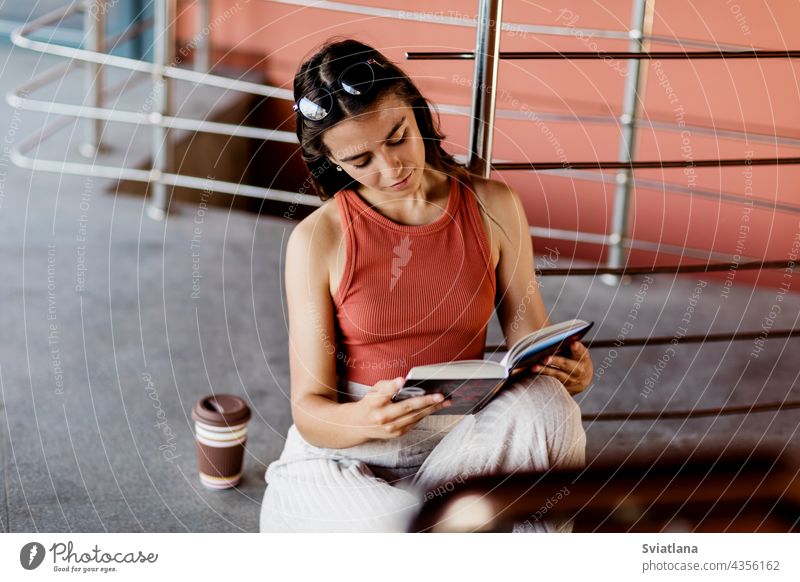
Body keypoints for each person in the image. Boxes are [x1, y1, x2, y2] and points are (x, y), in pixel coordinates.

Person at [259, 37, 593, 533]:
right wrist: (367, 421)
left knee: (550, 404)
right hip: (345, 456)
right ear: (333, 162)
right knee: (397, 524)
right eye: (360, 160)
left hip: (457, 434)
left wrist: (569, 369)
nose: (390, 170)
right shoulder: (318, 239)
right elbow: (311, 414)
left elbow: (532, 343)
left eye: (397, 138)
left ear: (416, 112)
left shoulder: (493, 206)